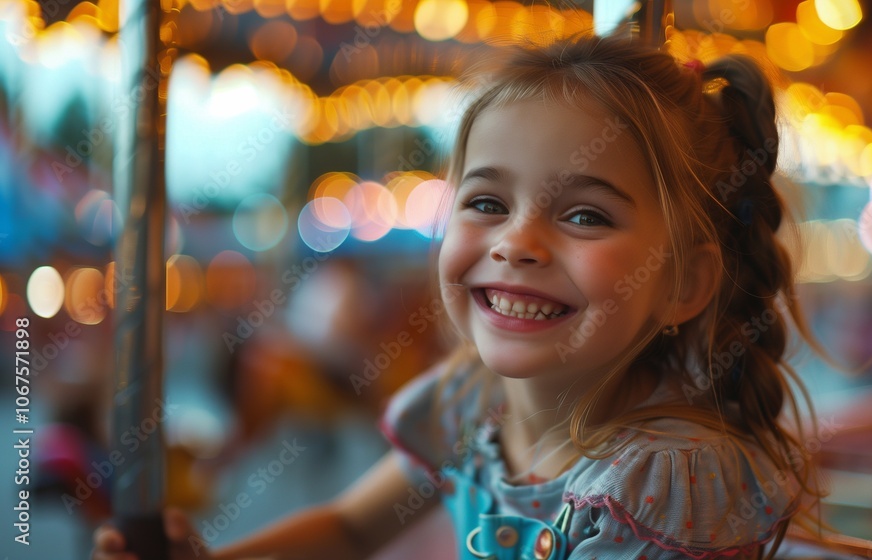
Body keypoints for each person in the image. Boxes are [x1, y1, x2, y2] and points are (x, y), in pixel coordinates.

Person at [94, 33, 823, 560]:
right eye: (485, 203)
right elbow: (350, 529)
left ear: (685, 284)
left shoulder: (664, 480)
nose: (516, 243)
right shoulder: (471, 399)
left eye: (585, 216)